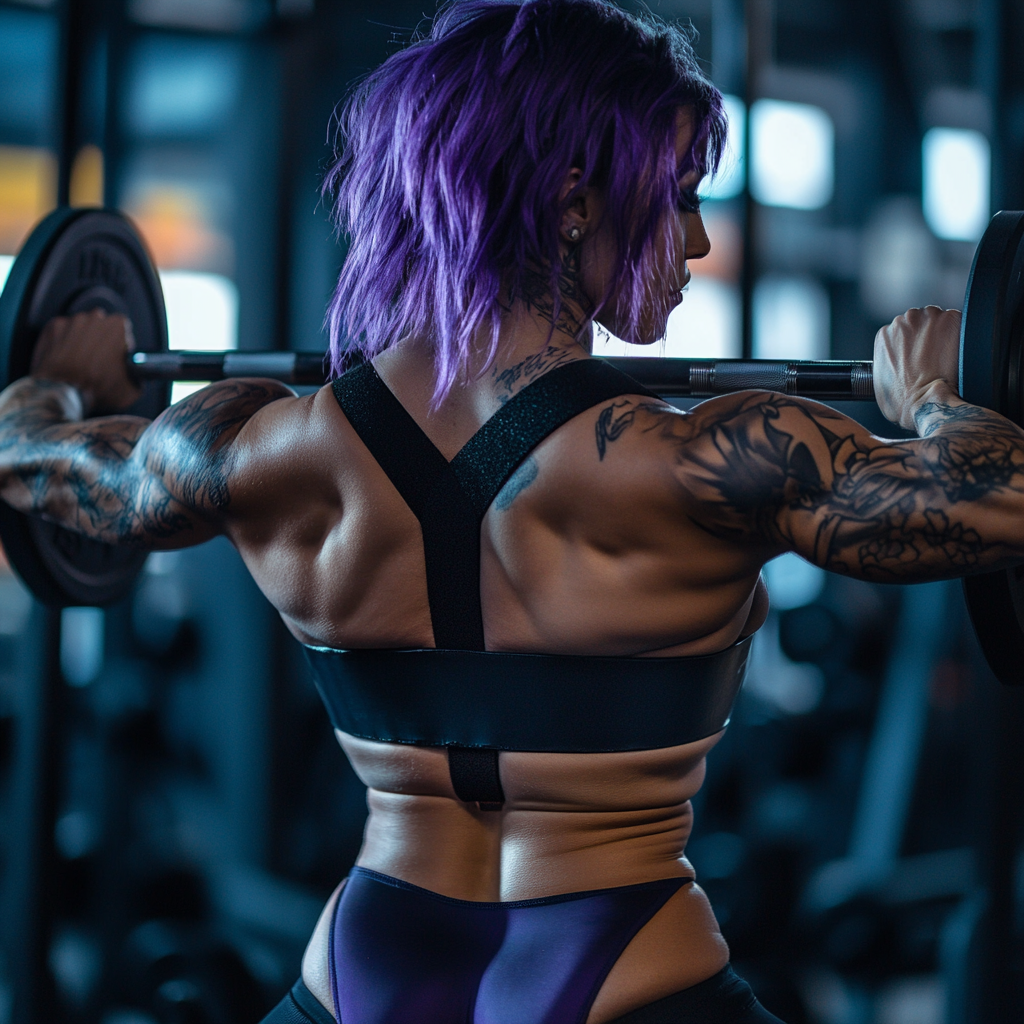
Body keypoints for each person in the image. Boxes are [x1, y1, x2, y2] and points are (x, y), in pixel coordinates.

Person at [0, 2, 1021, 1022]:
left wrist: (62, 380)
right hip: (623, 966)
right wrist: (936, 390)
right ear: (575, 195)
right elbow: (1001, 497)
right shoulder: (695, 459)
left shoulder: (260, 449)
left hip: (366, 966)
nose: (700, 239)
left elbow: (31, 461)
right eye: (677, 195)